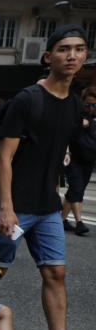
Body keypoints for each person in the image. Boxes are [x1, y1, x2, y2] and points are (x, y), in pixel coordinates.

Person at [0, 25, 94, 330]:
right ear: (48, 57)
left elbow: (68, 150)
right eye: (63, 49)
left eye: (79, 49)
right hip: (15, 206)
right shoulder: (28, 99)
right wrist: (6, 208)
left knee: (56, 273)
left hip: (46, 206)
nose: (71, 55)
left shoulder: (74, 104)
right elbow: (4, 156)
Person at [62, 86, 96, 235]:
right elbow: (65, 135)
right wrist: (67, 152)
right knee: (76, 188)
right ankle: (79, 222)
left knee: (76, 191)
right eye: (88, 104)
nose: (90, 108)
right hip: (74, 158)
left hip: (89, 161)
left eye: (94, 105)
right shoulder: (76, 115)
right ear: (83, 103)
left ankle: (61, 220)